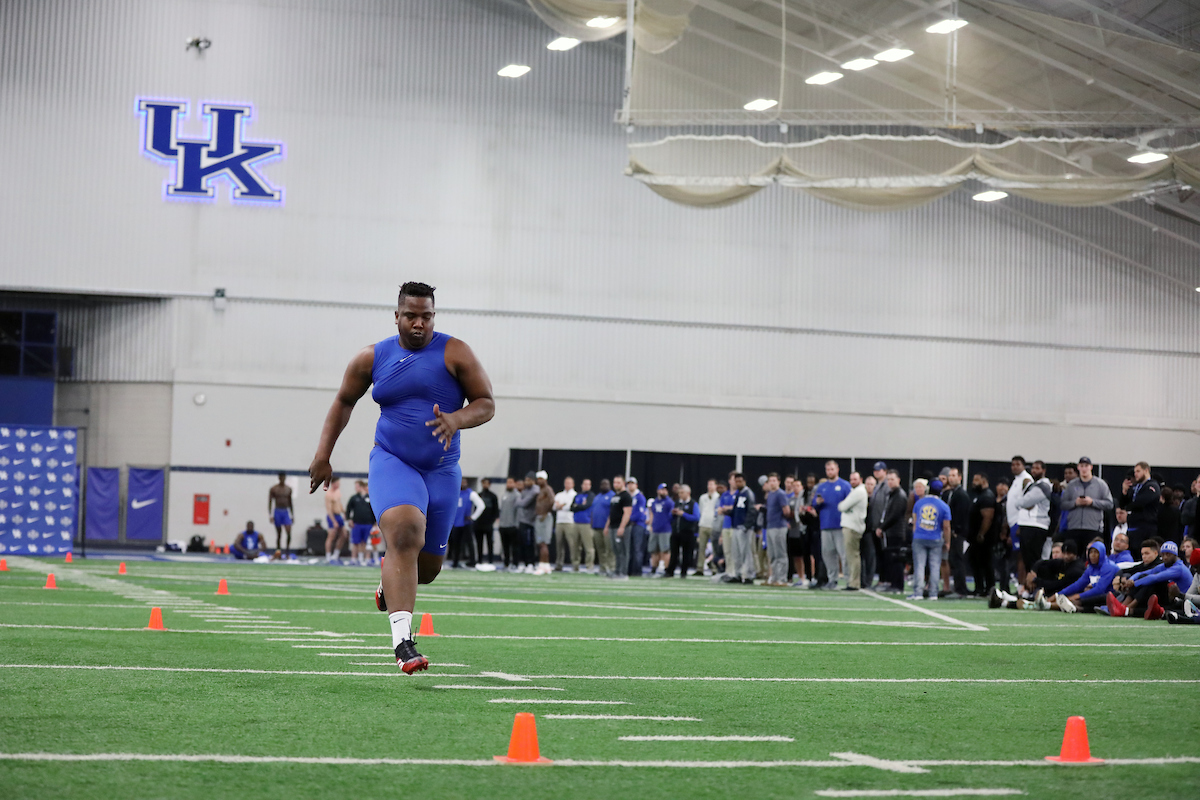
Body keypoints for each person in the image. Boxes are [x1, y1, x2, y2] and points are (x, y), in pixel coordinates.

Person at [308, 281, 495, 674]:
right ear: (397, 316)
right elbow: (343, 402)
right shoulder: (371, 358)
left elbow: (486, 403)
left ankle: (387, 583)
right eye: (411, 315)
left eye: (426, 316)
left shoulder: (455, 352)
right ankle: (403, 643)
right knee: (406, 531)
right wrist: (324, 455)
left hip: (442, 470)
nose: (418, 323)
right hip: (393, 460)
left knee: (426, 569)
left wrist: (456, 419)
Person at [1109, 540, 1191, 619]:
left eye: (1168, 554)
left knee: (1151, 582)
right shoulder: (1165, 565)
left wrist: (1134, 583)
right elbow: (1141, 573)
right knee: (1145, 578)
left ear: (1175, 555)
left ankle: (1125, 608)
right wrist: (1131, 580)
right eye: (1163, 554)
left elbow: (1155, 578)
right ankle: (1123, 607)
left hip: (1182, 600)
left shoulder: (1178, 568)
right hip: (1172, 597)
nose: (1165, 557)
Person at [1060, 457, 1114, 555]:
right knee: (1074, 555)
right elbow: (1063, 504)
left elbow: (1109, 504)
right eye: (1082, 466)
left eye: (1086, 466)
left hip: (1093, 528)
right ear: (1078, 468)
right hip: (1074, 528)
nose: (1084, 469)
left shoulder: (1100, 484)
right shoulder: (1072, 485)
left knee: (1091, 555)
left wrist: (1092, 502)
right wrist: (1075, 503)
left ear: (1091, 467)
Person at [908, 479, 951, 601]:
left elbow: (915, 523)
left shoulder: (919, 503)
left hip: (920, 537)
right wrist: (947, 542)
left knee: (919, 565)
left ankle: (918, 592)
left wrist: (915, 536)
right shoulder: (944, 506)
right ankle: (933, 593)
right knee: (935, 566)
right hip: (936, 538)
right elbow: (946, 527)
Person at [812, 460, 851, 590]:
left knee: (844, 555)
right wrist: (817, 502)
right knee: (828, 555)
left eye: (832, 469)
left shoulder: (845, 485)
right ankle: (832, 579)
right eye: (828, 470)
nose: (830, 472)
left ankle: (848, 580)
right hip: (825, 525)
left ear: (837, 469)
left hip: (840, 525)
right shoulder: (821, 487)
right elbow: (814, 505)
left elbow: (851, 504)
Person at [1017, 460, 1053, 582]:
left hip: (1036, 525)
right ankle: (1030, 586)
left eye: (1037, 468)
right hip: (1028, 525)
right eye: (1032, 468)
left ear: (1043, 470)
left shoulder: (1043, 486)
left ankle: (1037, 586)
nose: (1034, 470)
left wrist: (1022, 502)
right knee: (1028, 560)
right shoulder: (1034, 485)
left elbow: (1022, 502)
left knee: (1034, 561)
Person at [940, 467, 972, 597]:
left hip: (957, 533)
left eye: (954, 475)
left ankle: (961, 589)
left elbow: (962, 515)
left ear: (960, 477)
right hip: (951, 532)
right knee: (952, 560)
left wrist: (956, 530)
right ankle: (957, 586)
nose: (951, 478)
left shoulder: (961, 494)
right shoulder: (949, 493)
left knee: (958, 560)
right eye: (950, 475)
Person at [876, 470, 908, 592]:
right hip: (890, 532)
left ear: (898, 480)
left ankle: (897, 585)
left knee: (896, 559)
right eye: (888, 479)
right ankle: (892, 583)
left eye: (892, 479)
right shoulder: (892, 494)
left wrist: (882, 527)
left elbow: (894, 515)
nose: (890, 482)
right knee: (890, 559)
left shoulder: (900, 495)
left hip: (896, 532)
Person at [836, 471, 868, 590]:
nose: (852, 481)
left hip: (853, 527)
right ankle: (853, 581)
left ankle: (854, 583)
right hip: (853, 526)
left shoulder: (859, 491)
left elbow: (842, 506)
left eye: (855, 479)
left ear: (861, 479)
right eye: (851, 479)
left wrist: (843, 506)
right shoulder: (855, 491)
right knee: (851, 555)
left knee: (852, 556)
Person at [1120, 461, 1161, 553]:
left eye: (1138, 471)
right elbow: (1122, 504)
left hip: (1146, 527)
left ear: (1146, 471)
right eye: (1135, 472)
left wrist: (1128, 507)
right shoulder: (1135, 487)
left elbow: (1140, 503)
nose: (1136, 474)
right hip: (1133, 526)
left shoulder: (1152, 486)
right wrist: (1124, 491)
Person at [967, 473, 997, 596]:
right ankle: (979, 587)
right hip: (976, 537)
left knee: (985, 563)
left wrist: (981, 534)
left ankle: (989, 587)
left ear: (984, 481)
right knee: (976, 562)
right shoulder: (978, 496)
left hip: (984, 538)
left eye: (976, 480)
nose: (973, 482)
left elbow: (987, 517)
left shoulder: (987, 496)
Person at [726, 472, 757, 584]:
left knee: (746, 552)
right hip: (736, 526)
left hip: (744, 527)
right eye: (736, 481)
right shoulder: (739, 494)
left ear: (744, 481)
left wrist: (747, 525)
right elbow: (736, 510)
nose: (738, 483)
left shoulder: (748, 493)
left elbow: (751, 511)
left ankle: (749, 575)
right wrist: (728, 512)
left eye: (740, 481)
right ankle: (738, 574)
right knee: (736, 553)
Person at [664, 483, 700, 578]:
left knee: (686, 553)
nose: (680, 494)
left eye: (682, 492)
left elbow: (696, 517)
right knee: (674, 552)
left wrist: (683, 514)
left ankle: (684, 572)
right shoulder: (676, 503)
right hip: (676, 531)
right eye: (679, 492)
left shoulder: (693, 503)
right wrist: (672, 514)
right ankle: (670, 571)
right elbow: (669, 517)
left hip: (688, 532)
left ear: (688, 493)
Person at [449, 477, 484, 568]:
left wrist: (473, 517)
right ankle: (455, 562)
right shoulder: (455, 493)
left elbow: (481, 506)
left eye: (464, 482)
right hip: (456, 522)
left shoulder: (471, 494)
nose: (463, 484)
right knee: (455, 543)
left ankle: (472, 561)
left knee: (469, 543)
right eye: (461, 482)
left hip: (466, 522)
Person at [763, 473, 791, 587]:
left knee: (781, 553)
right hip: (770, 526)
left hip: (779, 526)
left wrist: (783, 520)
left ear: (778, 482)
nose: (772, 483)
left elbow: (787, 510)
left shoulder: (780, 494)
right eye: (770, 480)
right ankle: (774, 577)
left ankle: (782, 578)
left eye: (774, 480)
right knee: (772, 554)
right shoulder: (770, 494)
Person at [604, 476, 632, 581]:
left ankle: (623, 573)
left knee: (623, 551)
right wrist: (607, 526)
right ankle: (617, 571)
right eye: (615, 482)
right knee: (616, 551)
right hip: (612, 526)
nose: (616, 484)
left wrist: (622, 527)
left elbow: (627, 513)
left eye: (618, 482)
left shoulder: (626, 496)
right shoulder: (614, 496)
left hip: (621, 527)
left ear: (623, 483)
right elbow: (612, 513)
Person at [565, 478, 595, 572]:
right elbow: (571, 507)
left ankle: (589, 566)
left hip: (586, 524)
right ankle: (575, 566)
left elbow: (587, 505)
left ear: (590, 486)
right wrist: (578, 506)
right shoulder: (577, 495)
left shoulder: (591, 495)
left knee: (588, 546)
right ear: (582, 485)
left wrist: (577, 506)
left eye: (588, 484)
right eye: (584, 484)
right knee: (574, 546)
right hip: (575, 523)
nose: (585, 486)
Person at [346, 479, 377, 566]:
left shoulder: (370, 498)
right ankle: (354, 559)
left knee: (367, 543)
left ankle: (367, 558)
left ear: (362, 487)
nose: (356, 488)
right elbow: (348, 509)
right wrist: (349, 519)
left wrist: (375, 522)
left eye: (357, 487)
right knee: (356, 542)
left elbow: (373, 510)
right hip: (357, 523)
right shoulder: (354, 498)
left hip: (368, 523)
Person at [647, 483, 675, 576]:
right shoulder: (655, 502)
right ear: (658, 491)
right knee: (653, 550)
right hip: (655, 528)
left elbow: (671, 515)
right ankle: (653, 569)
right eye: (662, 489)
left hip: (665, 529)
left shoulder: (669, 502)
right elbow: (653, 514)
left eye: (665, 490)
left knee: (665, 550)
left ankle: (666, 569)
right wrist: (651, 524)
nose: (664, 492)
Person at [552, 476, 578, 572]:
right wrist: (562, 505)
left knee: (572, 544)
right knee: (559, 544)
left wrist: (561, 505)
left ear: (573, 484)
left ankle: (575, 565)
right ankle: (559, 564)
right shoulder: (559, 495)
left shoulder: (575, 495)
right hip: (559, 522)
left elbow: (570, 507)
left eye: (569, 483)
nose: (567, 485)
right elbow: (554, 507)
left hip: (569, 521)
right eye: (566, 483)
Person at [590, 478, 615, 575]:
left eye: (606, 484)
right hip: (596, 527)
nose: (604, 486)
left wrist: (608, 525)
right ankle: (603, 568)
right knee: (600, 550)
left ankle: (611, 568)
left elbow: (613, 512)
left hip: (607, 527)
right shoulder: (597, 497)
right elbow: (593, 511)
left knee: (609, 549)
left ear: (610, 485)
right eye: (602, 484)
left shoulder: (612, 496)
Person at [532, 471, 555, 575]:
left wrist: (546, 512)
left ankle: (542, 565)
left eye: (541, 479)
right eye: (538, 479)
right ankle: (546, 565)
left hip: (544, 518)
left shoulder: (547, 489)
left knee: (543, 543)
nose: (539, 481)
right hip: (539, 517)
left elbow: (552, 501)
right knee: (540, 543)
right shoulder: (539, 490)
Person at [697, 479, 720, 577]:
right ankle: (700, 568)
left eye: (711, 484)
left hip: (713, 525)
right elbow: (701, 510)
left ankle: (714, 568)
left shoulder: (718, 497)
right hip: (703, 524)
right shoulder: (703, 497)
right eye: (708, 484)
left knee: (715, 548)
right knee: (701, 547)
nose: (709, 486)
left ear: (716, 486)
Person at [626, 477, 648, 576]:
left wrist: (627, 519)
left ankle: (637, 570)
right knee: (629, 549)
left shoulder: (640, 497)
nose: (630, 486)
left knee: (637, 549)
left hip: (638, 525)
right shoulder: (627, 496)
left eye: (632, 484)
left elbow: (639, 513)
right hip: (629, 525)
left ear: (636, 485)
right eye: (629, 484)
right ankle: (629, 570)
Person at [497, 477, 521, 570]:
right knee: (505, 546)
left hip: (512, 525)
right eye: (508, 483)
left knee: (514, 547)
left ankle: (515, 563)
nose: (509, 485)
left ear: (514, 484)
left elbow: (518, 511)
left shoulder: (517, 495)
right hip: (503, 525)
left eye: (511, 483)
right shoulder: (504, 495)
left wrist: (516, 524)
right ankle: (506, 563)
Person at [516, 472, 538, 571]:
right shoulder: (525, 490)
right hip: (522, 520)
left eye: (528, 480)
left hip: (530, 521)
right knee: (522, 543)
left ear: (533, 481)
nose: (526, 482)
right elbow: (518, 502)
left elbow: (523, 503)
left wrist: (521, 500)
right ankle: (525, 563)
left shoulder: (535, 490)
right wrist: (521, 500)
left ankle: (531, 563)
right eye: (525, 480)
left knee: (529, 543)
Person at [474, 478, 499, 565]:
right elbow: (475, 510)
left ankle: (490, 561)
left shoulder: (493, 496)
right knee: (479, 543)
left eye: (486, 483)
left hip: (488, 524)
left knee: (490, 543)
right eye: (483, 483)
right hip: (479, 524)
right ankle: (479, 560)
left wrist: (492, 521)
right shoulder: (479, 495)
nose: (485, 485)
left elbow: (496, 510)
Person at [268, 473, 294, 553]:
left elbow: (290, 502)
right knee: (279, 534)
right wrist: (271, 515)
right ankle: (278, 551)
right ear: (279, 478)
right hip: (277, 511)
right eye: (281, 478)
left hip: (285, 511)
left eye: (284, 478)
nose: (282, 479)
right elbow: (270, 502)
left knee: (288, 532)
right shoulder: (274, 489)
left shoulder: (288, 489)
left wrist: (292, 515)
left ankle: (287, 551)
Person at [323, 477, 347, 563]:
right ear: (333, 484)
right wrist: (334, 521)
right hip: (332, 516)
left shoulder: (338, 492)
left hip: (338, 515)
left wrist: (344, 512)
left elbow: (339, 503)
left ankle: (336, 554)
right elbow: (329, 510)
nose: (339, 485)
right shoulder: (329, 494)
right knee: (331, 536)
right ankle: (328, 556)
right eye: (337, 483)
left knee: (344, 535)